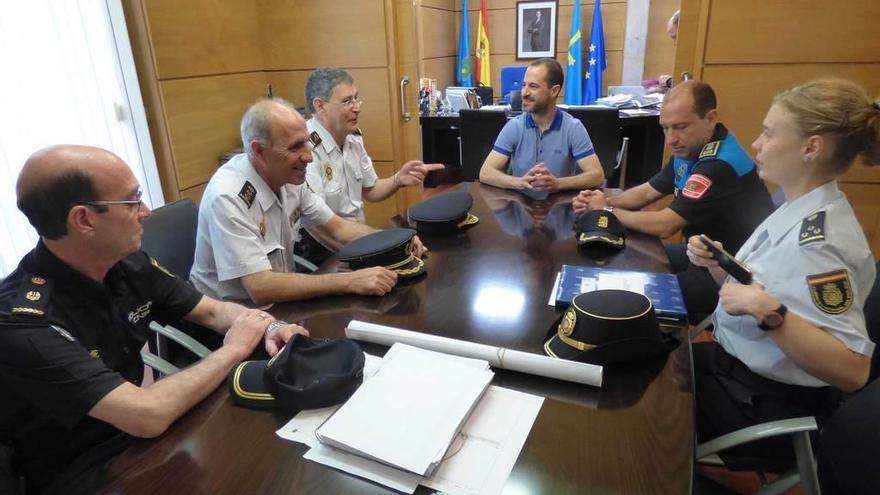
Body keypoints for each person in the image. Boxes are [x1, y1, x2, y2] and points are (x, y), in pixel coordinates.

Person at [0, 145, 308, 494]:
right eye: (132, 202)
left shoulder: (127, 264)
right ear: (83, 220)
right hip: (83, 470)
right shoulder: (21, 321)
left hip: (138, 439)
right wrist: (234, 349)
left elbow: (214, 311)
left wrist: (270, 327)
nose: (146, 212)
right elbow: (146, 414)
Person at [687, 78, 878, 467]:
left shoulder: (821, 242)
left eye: (770, 134)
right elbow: (766, 287)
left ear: (811, 147)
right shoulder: (798, 207)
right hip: (734, 369)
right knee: (647, 359)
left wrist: (767, 312)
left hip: (762, 405)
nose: (757, 143)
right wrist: (720, 265)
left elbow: (853, 371)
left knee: (637, 406)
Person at [190, 98, 427, 306]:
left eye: (306, 142)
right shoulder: (228, 197)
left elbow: (337, 228)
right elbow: (260, 287)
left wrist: (396, 243)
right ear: (259, 151)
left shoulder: (289, 177)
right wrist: (348, 281)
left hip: (279, 306)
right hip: (230, 323)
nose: (308, 156)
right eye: (295, 147)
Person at [573, 80, 773, 316]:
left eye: (679, 127)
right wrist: (603, 200)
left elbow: (665, 225)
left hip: (730, 273)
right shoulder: (692, 148)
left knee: (633, 299)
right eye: (665, 128)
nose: (670, 139)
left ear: (710, 119)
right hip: (701, 254)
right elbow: (648, 191)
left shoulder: (719, 165)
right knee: (628, 255)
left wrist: (605, 211)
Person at [300, 67, 443, 262]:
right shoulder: (305, 148)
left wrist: (397, 179)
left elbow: (371, 190)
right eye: (347, 101)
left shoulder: (353, 136)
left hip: (356, 240)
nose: (357, 107)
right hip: (324, 252)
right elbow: (321, 226)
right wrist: (383, 244)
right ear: (320, 106)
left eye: (356, 98)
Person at [478, 58, 605, 200]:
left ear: (554, 91)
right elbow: (485, 173)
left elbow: (597, 176)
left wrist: (557, 184)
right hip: (521, 208)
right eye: (524, 85)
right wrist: (519, 182)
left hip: (559, 208)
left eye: (533, 86)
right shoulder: (514, 126)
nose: (524, 93)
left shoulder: (573, 128)